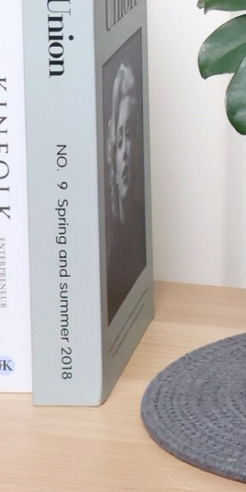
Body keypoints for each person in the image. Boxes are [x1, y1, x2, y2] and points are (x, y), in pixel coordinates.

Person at [104, 53, 145, 321]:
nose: (125, 153)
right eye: (119, 138)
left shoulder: (138, 228)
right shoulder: (108, 234)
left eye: (129, 135)